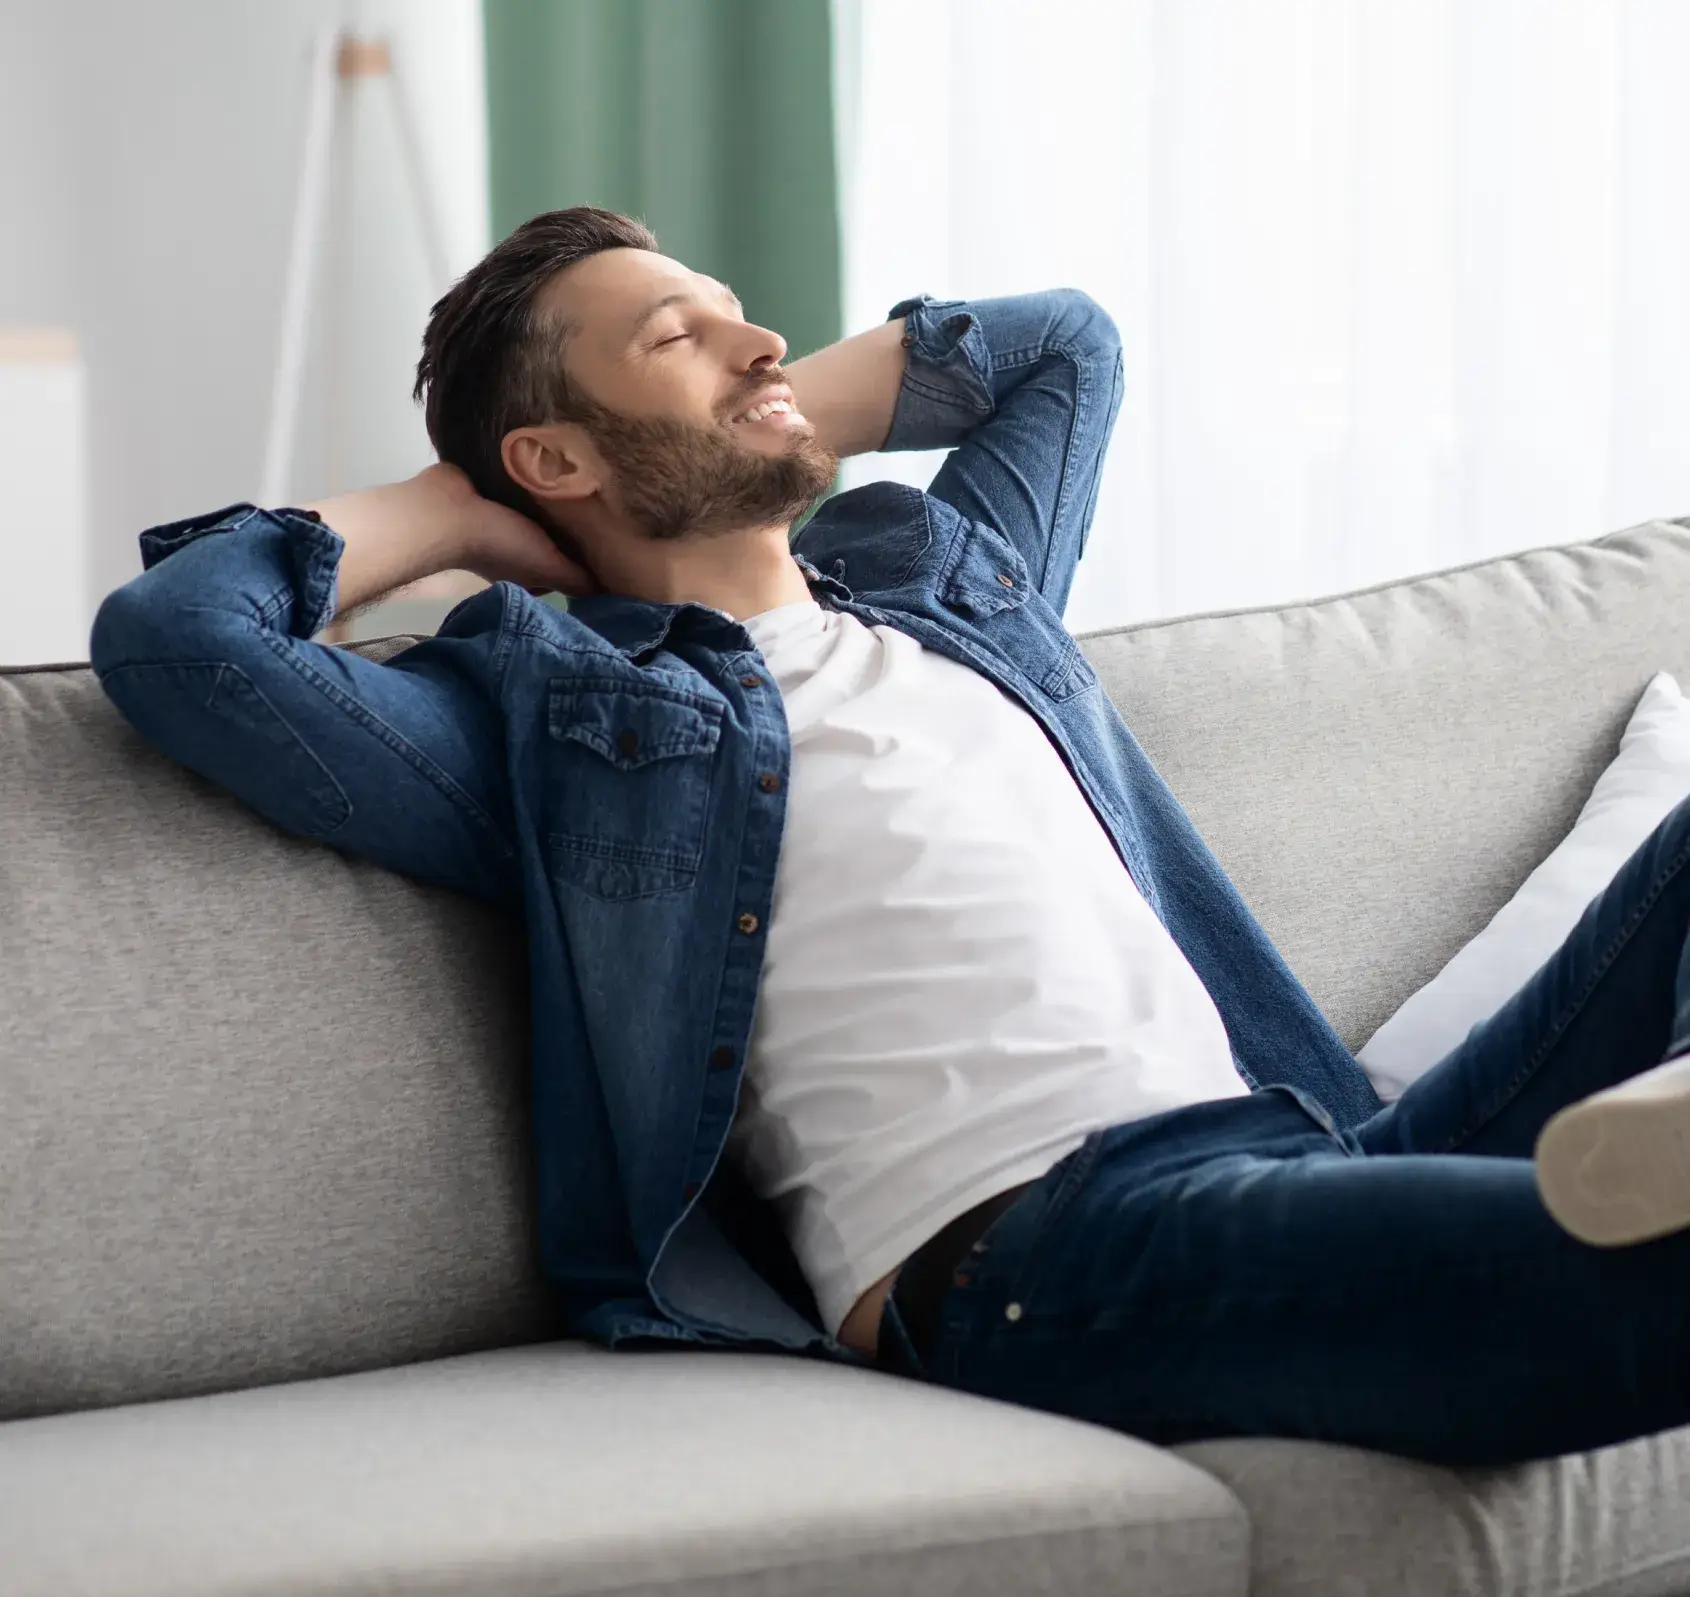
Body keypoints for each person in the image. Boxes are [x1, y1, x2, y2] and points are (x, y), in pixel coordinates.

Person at [91, 206, 1690, 1469]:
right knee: (1614, 1279)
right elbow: (182, 641)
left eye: (740, 312)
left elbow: (1062, 347)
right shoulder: (562, 729)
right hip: (1047, 1247)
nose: (757, 333)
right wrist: (450, 507)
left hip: (1309, 1144)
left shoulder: (954, 591)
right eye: (679, 332)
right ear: (554, 457)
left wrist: (757, 402)